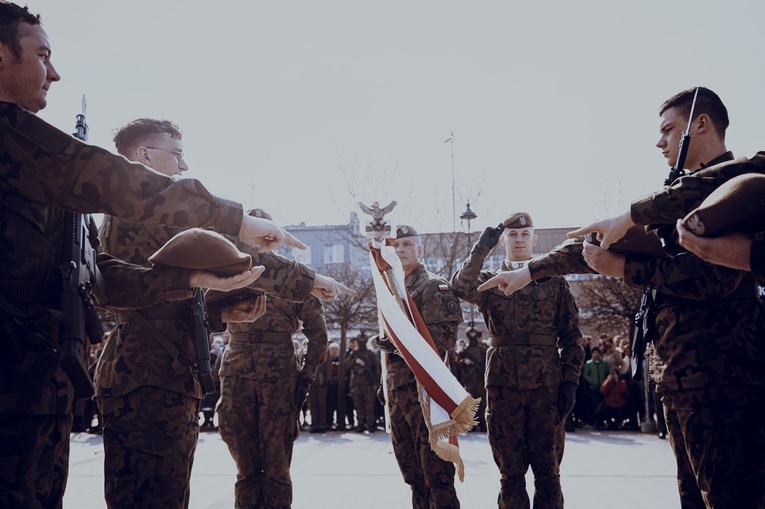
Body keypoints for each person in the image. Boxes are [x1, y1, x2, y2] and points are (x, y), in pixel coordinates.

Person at [0, 4, 311, 508]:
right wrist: (236, 222)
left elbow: (94, 276)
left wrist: (193, 283)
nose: (54, 72)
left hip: (34, 389)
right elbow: (100, 175)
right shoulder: (14, 139)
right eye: (41, 55)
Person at [483, 88, 765, 507]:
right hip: (683, 382)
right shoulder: (672, 200)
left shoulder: (737, 185)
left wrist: (624, 265)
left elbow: (710, 279)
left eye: (669, 130)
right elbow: (600, 242)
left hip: (725, 382)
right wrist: (530, 271)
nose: (660, 141)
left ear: (700, 125)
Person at [451, 212, 584, 509]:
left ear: (534, 240)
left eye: (525, 235)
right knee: (510, 474)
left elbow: (572, 336)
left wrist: (571, 381)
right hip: (503, 387)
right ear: (503, 241)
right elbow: (460, 287)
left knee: (549, 475)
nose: (519, 240)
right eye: (513, 235)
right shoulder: (490, 282)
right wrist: (479, 249)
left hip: (546, 387)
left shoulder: (554, 281)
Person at [216, 209, 329, 509]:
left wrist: (304, 379)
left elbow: (318, 335)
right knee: (244, 467)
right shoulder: (227, 274)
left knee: (277, 466)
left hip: (279, 374)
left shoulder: (292, 278)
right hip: (236, 370)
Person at [377, 224, 463, 509]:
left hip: (426, 393)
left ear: (420, 249)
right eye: (397, 246)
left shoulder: (432, 286)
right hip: (399, 390)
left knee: (436, 474)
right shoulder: (392, 290)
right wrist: (385, 380)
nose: (401, 250)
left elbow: (442, 339)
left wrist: (397, 342)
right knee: (412, 472)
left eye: (407, 245)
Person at [347, 333, 381, 433]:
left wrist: (376, 382)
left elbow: (377, 368)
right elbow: (347, 366)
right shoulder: (354, 354)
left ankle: (370, 424)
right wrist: (355, 361)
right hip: (357, 384)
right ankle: (360, 424)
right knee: (358, 405)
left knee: (369, 405)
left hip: (368, 383)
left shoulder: (370, 354)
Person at [456, 327, 488, 432]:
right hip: (470, 381)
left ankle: (483, 424)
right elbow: (457, 364)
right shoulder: (465, 351)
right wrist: (464, 361)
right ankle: (471, 425)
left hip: (481, 379)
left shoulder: (483, 350)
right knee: (471, 403)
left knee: (483, 403)